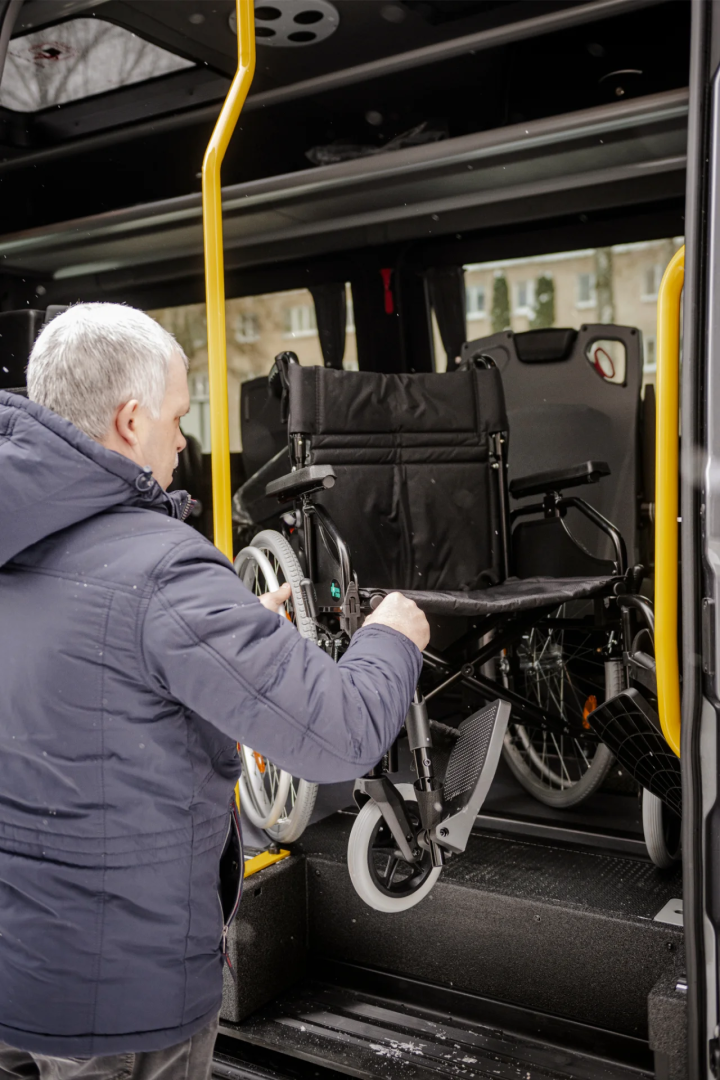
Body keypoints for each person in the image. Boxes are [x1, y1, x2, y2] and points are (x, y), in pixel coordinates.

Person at [0, 303, 429, 1079]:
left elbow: (71, 694)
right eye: (175, 417)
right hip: (116, 1000)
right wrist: (393, 635)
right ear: (131, 421)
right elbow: (340, 732)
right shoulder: (161, 566)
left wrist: (215, 640)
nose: (182, 439)